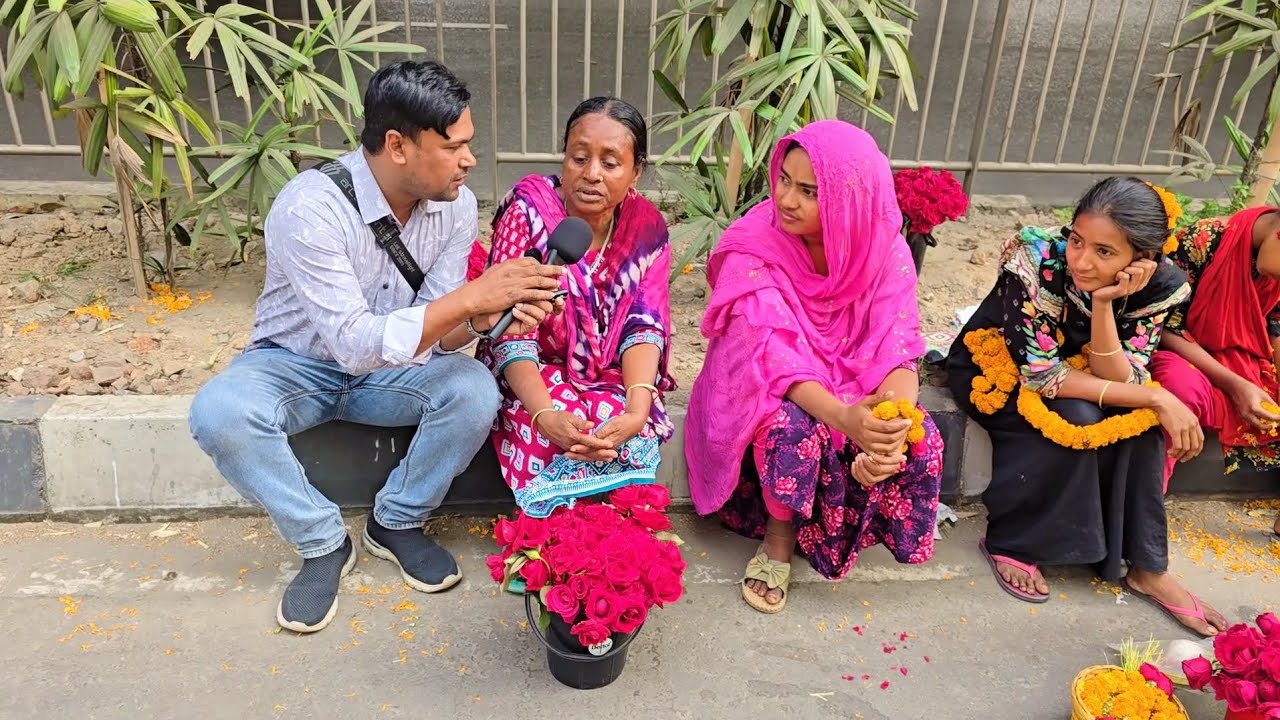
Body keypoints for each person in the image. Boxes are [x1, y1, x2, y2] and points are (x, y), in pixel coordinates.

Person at [188, 61, 564, 634]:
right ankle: (321, 543)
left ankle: (396, 520)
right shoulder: (309, 209)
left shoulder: (455, 205)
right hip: (294, 365)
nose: (469, 160)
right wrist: (468, 300)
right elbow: (355, 343)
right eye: (454, 146)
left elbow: (439, 328)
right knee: (219, 412)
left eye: (470, 144)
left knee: (471, 388)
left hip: (392, 369)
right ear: (398, 146)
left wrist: (487, 317)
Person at [946, 176, 1228, 636]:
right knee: (1080, 414)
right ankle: (1016, 541)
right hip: (999, 366)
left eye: (1104, 252)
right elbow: (1042, 374)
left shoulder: (1162, 285)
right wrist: (1159, 396)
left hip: (1085, 368)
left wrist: (1103, 307)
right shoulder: (1036, 261)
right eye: (1077, 240)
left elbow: (1125, 376)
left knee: (1139, 423)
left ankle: (1147, 568)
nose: (1080, 260)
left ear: (1144, 259)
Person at [684, 120, 945, 615]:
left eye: (808, 191)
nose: (786, 199)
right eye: (783, 179)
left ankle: (851, 518)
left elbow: (899, 346)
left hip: (855, 380)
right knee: (789, 429)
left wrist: (890, 424)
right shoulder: (753, 248)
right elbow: (773, 358)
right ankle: (778, 538)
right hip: (777, 386)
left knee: (923, 437)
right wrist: (846, 419)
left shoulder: (885, 249)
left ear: (852, 200)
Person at [468, 97, 674, 519]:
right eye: (579, 158)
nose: (591, 174)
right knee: (554, 430)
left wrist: (636, 410)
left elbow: (644, 326)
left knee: (622, 428)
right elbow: (511, 330)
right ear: (564, 156)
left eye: (610, 163)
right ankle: (549, 539)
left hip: (607, 371)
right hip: (527, 366)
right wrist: (544, 413)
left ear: (636, 172)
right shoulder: (527, 213)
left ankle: (610, 538)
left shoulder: (647, 228)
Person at [1152, 205, 1280, 539]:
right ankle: (1144, 508)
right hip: (1185, 347)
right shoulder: (1205, 240)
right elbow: (1164, 325)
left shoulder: (1273, 263)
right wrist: (1235, 384)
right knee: (1181, 390)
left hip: (1244, 355)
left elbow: (1275, 331)